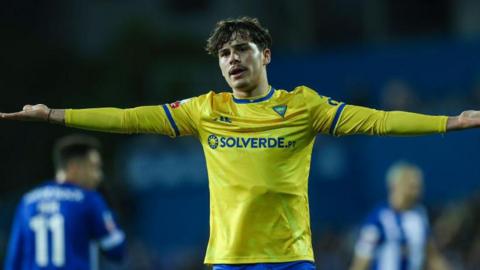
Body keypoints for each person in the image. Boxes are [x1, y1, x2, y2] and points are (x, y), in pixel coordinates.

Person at [1, 17, 479, 270]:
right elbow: (129, 119)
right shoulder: (205, 110)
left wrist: (450, 121)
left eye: (241, 49)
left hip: (292, 259)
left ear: (265, 55)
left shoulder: (303, 105)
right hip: (229, 261)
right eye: (224, 53)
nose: (231, 59)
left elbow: (377, 121)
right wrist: (56, 114)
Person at [4, 135, 126, 270]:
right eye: (94, 167)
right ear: (74, 167)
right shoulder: (88, 199)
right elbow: (116, 250)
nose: (99, 176)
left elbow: (13, 261)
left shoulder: (28, 201)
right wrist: (109, 210)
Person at [349, 162, 450, 270]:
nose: (418, 190)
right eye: (412, 186)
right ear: (395, 185)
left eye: (419, 186)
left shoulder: (419, 215)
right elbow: (360, 262)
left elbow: (432, 255)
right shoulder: (378, 218)